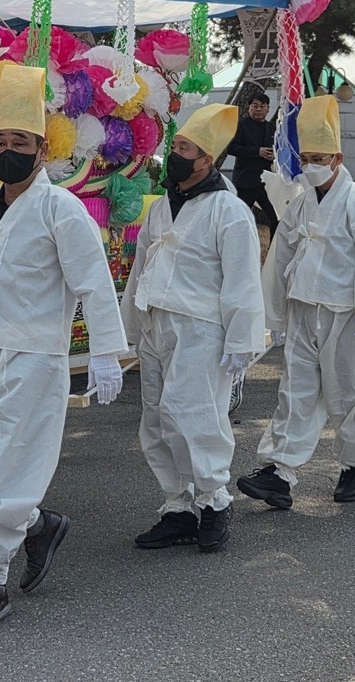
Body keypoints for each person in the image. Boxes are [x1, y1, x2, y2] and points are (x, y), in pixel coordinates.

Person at [0, 64, 129, 635]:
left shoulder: (61, 209)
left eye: (20, 142)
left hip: (32, 357)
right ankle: (39, 525)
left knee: (7, 474)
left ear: (44, 150)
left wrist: (105, 352)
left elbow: (94, 282)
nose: (8, 151)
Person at [236, 96, 355, 510]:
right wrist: (274, 313)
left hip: (347, 313)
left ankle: (354, 466)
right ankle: (280, 471)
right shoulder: (302, 201)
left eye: (319, 159)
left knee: (351, 391)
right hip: (304, 307)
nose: (311, 166)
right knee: (296, 390)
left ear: (338, 159)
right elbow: (281, 255)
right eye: (306, 159)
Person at [122, 103, 264, 554]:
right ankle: (177, 506)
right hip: (155, 322)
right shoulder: (161, 207)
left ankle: (213, 500)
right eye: (176, 146)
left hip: (201, 328)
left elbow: (243, 280)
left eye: (184, 149)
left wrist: (241, 341)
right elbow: (141, 266)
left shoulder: (229, 210)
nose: (175, 155)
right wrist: (129, 326)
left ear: (206, 159)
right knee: (157, 418)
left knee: (195, 415)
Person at [228, 90, 279, 228]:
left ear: (268, 109)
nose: (258, 109)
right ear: (248, 107)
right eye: (255, 106)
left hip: (266, 181)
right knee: (238, 218)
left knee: (275, 218)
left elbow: (278, 150)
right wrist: (257, 152)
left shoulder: (271, 128)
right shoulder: (241, 125)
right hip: (245, 180)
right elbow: (231, 148)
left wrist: (273, 156)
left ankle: (273, 242)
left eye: (262, 106)